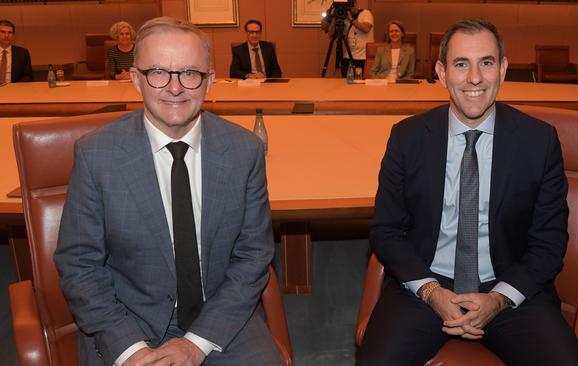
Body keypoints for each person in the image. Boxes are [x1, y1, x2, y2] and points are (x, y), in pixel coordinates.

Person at [356, 18, 578, 366]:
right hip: (425, 286)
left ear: (504, 69)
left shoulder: (539, 142)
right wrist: (432, 292)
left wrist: (497, 299)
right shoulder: (407, 138)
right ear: (441, 71)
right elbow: (386, 231)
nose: (475, 78)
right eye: (461, 64)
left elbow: (549, 243)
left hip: (509, 287)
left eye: (487, 63)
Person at [54, 17, 282, 366]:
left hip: (220, 321)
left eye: (190, 73)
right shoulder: (96, 154)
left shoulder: (244, 151)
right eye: (158, 72)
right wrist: (130, 350)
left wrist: (196, 343)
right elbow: (79, 265)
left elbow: (253, 256)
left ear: (210, 81)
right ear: (135, 80)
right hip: (126, 323)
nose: (175, 88)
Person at [336, 0, 373, 78]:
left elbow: (366, 29)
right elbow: (331, 35)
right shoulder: (343, 16)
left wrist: (351, 20)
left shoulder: (365, 13)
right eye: (347, 5)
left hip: (363, 57)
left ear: (356, 3)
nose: (349, 7)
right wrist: (334, 17)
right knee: (346, 83)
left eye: (351, 4)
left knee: (362, 84)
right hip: (348, 56)